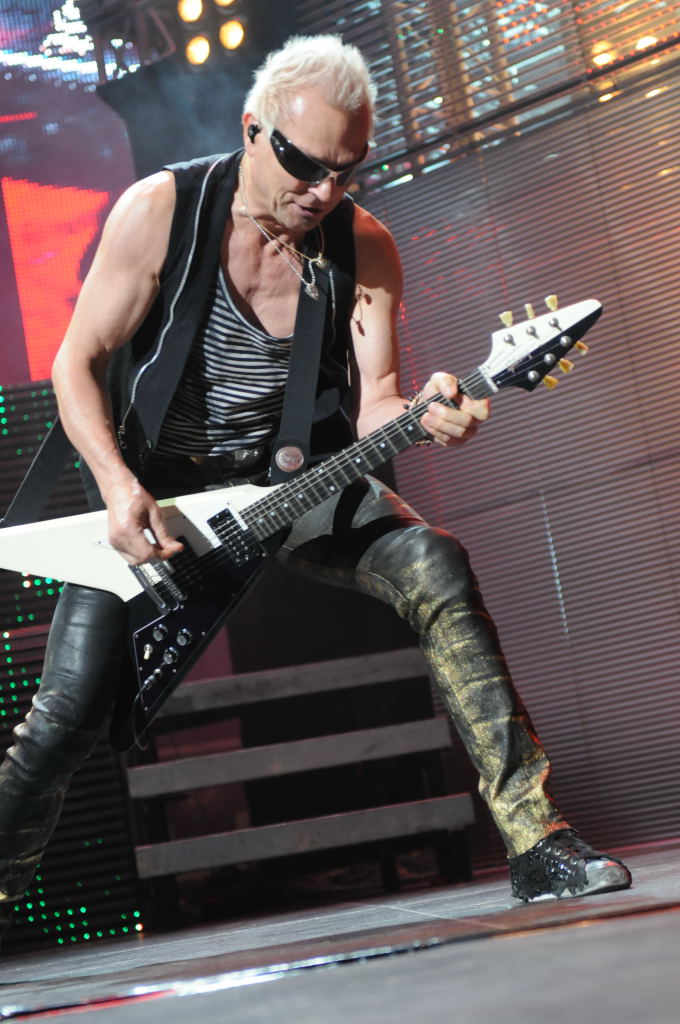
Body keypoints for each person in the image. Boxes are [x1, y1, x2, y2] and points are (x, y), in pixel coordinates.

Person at [0, 34, 630, 931]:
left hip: (293, 486)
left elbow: (378, 408)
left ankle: (538, 843)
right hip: (156, 497)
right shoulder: (162, 211)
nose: (323, 191)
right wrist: (115, 485)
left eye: (345, 171)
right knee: (64, 718)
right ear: (252, 130)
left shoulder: (361, 246)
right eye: (303, 165)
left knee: (435, 563)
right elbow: (77, 363)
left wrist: (432, 409)